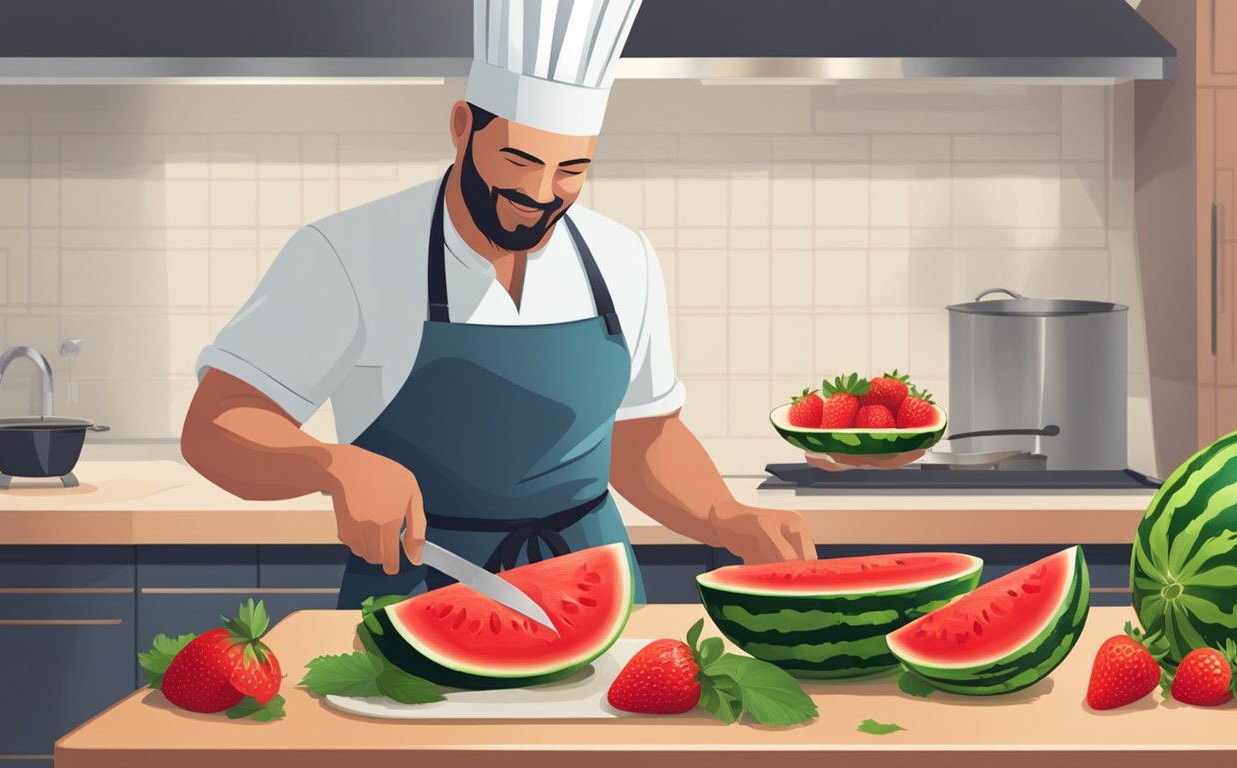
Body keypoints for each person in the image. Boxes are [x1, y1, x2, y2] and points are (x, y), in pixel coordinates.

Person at [180, 0, 816, 608]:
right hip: (419, 591)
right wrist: (330, 464)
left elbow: (643, 435)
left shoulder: (623, 258)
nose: (541, 193)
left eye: (572, 169)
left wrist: (722, 514)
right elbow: (216, 426)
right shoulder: (345, 253)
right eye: (519, 159)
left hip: (593, 582)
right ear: (463, 127)